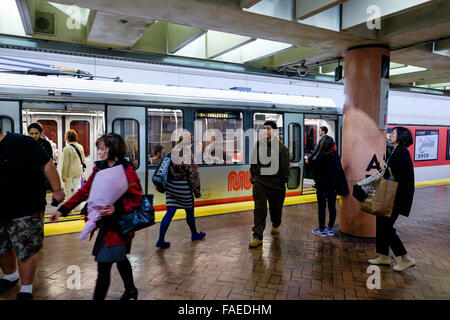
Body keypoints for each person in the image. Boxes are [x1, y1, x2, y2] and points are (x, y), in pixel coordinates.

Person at [50, 133, 143, 300]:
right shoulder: (100, 168)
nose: (99, 152)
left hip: (119, 227)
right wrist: (63, 210)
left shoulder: (127, 170)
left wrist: (118, 208)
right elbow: (84, 192)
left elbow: (137, 199)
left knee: (103, 267)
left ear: (113, 149)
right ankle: (131, 290)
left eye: (102, 149)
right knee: (120, 259)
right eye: (98, 149)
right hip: (104, 225)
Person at [0, 126, 65, 300]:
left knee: (26, 248)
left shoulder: (22, 142)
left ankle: (26, 289)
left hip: (26, 207)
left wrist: (57, 190)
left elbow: (48, 163)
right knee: (2, 246)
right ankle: (10, 277)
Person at [368, 127, 416, 272]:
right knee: (381, 222)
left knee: (387, 227)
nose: (390, 135)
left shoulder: (402, 152)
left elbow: (395, 175)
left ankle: (406, 258)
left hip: (397, 196)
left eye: (393, 133)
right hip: (391, 194)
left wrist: (385, 167)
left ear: (400, 137)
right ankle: (383, 256)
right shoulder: (396, 151)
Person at [156, 135, 205, 249]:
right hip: (184, 189)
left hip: (171, 189)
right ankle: (194, 234)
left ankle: (160, 240)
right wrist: (197, 192)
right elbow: (194, 177)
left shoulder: (171, 154)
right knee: (189, 213)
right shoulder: (188, 156)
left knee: (169, 214)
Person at [249, 120, 290, 248]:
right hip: (260, 183)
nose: (266, 131)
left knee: (276, 209)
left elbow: (285, 169)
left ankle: (276, 223)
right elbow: (253, 162)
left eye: (268, 129)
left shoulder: (282, 149)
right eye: (264, 129)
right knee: (259, 209)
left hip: (276, 185)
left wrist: (281, 182)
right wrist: (254, 177)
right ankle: (257, 236)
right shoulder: (258, 145)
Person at [311, 136, 346, 237]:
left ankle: (322, 230)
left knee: (321, 208)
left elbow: (315, 172)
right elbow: (339, 169)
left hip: (321, 187)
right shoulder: (336, 155)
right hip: (333, 186)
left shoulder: (320, 156)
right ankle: (330, 229)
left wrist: (317, 181)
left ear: (322, 145)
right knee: (332, 207)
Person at [28, 123, 54, 191]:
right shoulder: (24, 143)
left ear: (40, 133)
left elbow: (49, 160)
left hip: (42, 175)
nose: (34, 136)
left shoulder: (46, 144)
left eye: (36, 133)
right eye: (31, 133)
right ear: (28, 133)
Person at [61, 130, 86, 198]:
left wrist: (63, 176)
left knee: (67, 190)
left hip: (69, 173)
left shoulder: (67, 149)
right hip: (78, 171)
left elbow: (65, 164)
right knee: (77, 189)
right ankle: (79, 204)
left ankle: (68, 204)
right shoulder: (80, 147)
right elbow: (83, 160)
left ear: (67, 138)